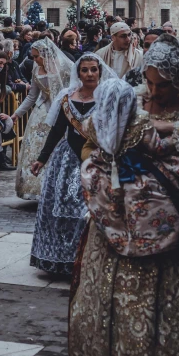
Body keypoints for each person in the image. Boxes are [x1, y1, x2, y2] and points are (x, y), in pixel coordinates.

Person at [69, 46, 179, 356]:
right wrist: (109, 155)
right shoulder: (132, 99)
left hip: (172, 235)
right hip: (114, 227)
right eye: (150, 83)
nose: (154, 92)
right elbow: (91, 141)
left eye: (163, 86)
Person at [29, 54, 115, 275]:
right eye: (85, 70)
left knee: (88, 211)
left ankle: (88, 259)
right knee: (62, 211)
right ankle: (61, 259)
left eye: (93, 70)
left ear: (100, 71)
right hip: (66, 160)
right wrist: (42, 158)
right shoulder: (67, 98)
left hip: (96, 160)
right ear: (78, 73)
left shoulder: (107, 98)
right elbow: (58, 130)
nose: (89, 74)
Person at [12, 38, 73, 200]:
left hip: (59, 112)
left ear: (45, 55)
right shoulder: (35, 68)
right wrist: (17, 114)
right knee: (35, 149)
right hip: (40, 114)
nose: (34, 60)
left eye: (36, 56)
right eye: (32, 57)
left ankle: (56, 188)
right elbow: (32, 96)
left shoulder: (64, 68)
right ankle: (35, 188)